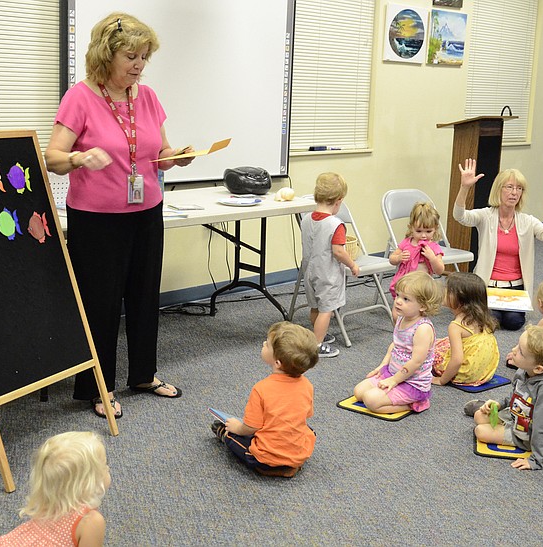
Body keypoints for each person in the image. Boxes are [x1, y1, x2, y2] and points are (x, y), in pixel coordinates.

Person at [45, 13, 194, 418]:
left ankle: (144, 374)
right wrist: (78, 157)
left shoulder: (146, 96)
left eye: (145, 57)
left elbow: (157, 154)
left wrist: (174, 159)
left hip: (147, 211)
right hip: (97, 219)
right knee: (100, 302)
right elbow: (52, 158)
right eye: (132, 56)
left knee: (145, 296)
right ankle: (99, 388)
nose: (140, 65)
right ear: (105, 55)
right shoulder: (80, 96)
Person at [454, 158, 543, 330]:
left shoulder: (527, 221)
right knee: (492, 320)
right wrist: (465, 187)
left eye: (519, 188)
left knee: (514, 322)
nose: (514, 192)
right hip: (489, 285)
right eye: (509, 187)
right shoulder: (486, 216)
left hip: (515, 288)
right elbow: (460, 216)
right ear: (499, 190)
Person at [210, 322, 318, 478]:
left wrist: (236, 427)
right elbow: (304, 416)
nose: (263, 344)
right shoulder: (307, 385)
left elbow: (250, 427)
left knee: (230, 432)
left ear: (278, 363)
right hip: (297, 456)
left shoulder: (261, 389)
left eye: (267, 344)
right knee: (308, 430)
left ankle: (225, 435)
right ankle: (291, 464)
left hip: (264, 459)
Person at [465, 325, 543, 470]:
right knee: (479, 416)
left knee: (480, 432)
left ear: (538, 368)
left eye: (521, 352)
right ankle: (487, 408)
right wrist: (499, 404)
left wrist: (536, 460)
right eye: (517, 345)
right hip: (516, 416)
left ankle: (502, 426)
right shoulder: (524, 371)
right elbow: (516, 395)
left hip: (526, 434)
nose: (514, 350)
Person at [0, 431, 110, 547]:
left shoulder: (52, 497)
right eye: (104, 466)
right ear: (86, 483)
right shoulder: (91, 521)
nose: (108, 469)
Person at [354, 271, 441, 413]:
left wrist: (394, 380)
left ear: (423, 306)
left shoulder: (423, 329)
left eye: (406, 299)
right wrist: (382, 366)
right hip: (393, 374)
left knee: (370, 401)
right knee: (359, 392)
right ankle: (391, 390)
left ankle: (417, 403)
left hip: (412, 384)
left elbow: (416, 362)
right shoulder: (402, 318)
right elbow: (395, 345)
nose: (398, 301)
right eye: (398, 295)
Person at [300, 172, 360, 358]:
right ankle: (317, 345)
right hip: (328, 274)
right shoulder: (336, 224)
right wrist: (352, 265)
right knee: (326, 310)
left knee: (315, 307)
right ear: (338, 201)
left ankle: (317, 335)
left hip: (309, 272)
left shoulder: (306, 218)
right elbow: (339, 251)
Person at [431, 272, 500, 386]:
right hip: (485, 371)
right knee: (444, 342)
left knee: (432, 351)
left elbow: (457, 360)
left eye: (448, 290)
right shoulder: (481, 316)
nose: (444, 292)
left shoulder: (456, 326)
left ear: (460, 299)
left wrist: (441, 380)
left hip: (465, 373)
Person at [388, 202, 445, 297]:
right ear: (411, 228)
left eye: (428, 231)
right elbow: (391, 259)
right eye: (418, 231)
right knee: (403, 306)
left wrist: (432, 259)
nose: (423, 235)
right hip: (405, 284)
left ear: (435, 229)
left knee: (421, 308)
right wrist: (398, 258)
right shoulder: (406, 243)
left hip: (422, 287)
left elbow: (440, 270)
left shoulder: (434, 248)